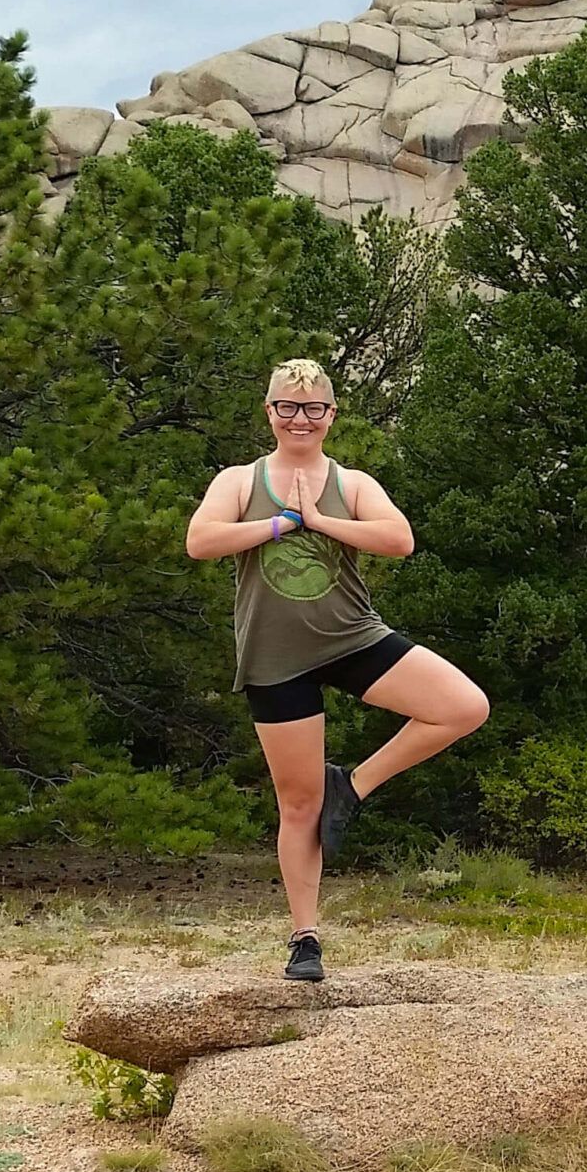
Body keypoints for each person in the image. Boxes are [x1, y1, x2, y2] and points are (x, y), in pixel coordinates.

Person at [186, 359, 489, 982]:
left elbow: (399, 538)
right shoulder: (241, 480)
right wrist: (278, 523)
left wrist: (320, 520)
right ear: (270, 413)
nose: (301, 419)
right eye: (289, 408)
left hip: (351, 638)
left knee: (464, 706)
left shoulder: (350, 482)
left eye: (314, 409)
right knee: (298, 805)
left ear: (331, 416)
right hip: (275, 658)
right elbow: (201, 540)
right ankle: (305, 939)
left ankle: (352, 786)